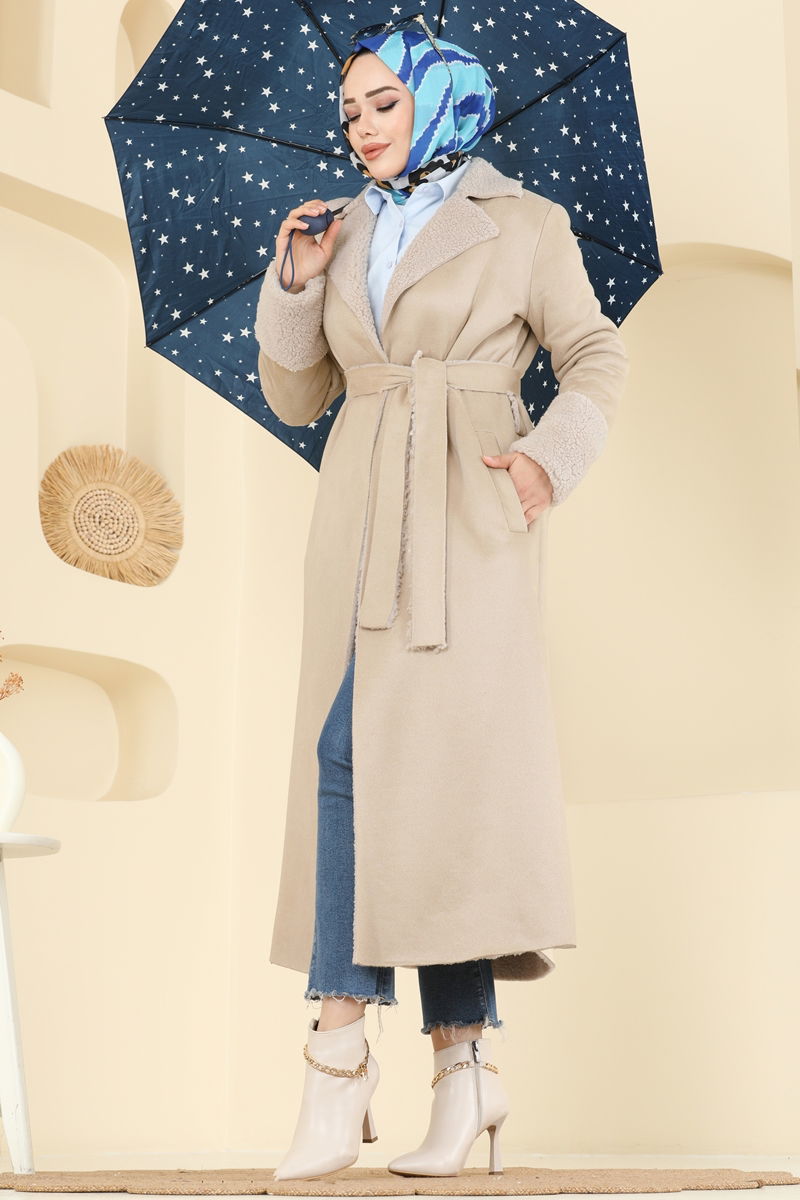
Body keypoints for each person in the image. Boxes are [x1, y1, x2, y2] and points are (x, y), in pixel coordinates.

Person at [254, 16, 629, 1185]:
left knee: (431, 785)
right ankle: (442, 1071)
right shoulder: (340, 228)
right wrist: (295, 283)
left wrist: (547, 460)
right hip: (359, 508)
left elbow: (594, 356)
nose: (361, 126)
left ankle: (355, 1067)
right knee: (363, 766)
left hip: (467, 508)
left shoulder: (525, 223)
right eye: (348, 110)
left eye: (383, 102)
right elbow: (297, 396)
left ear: (439, 96)